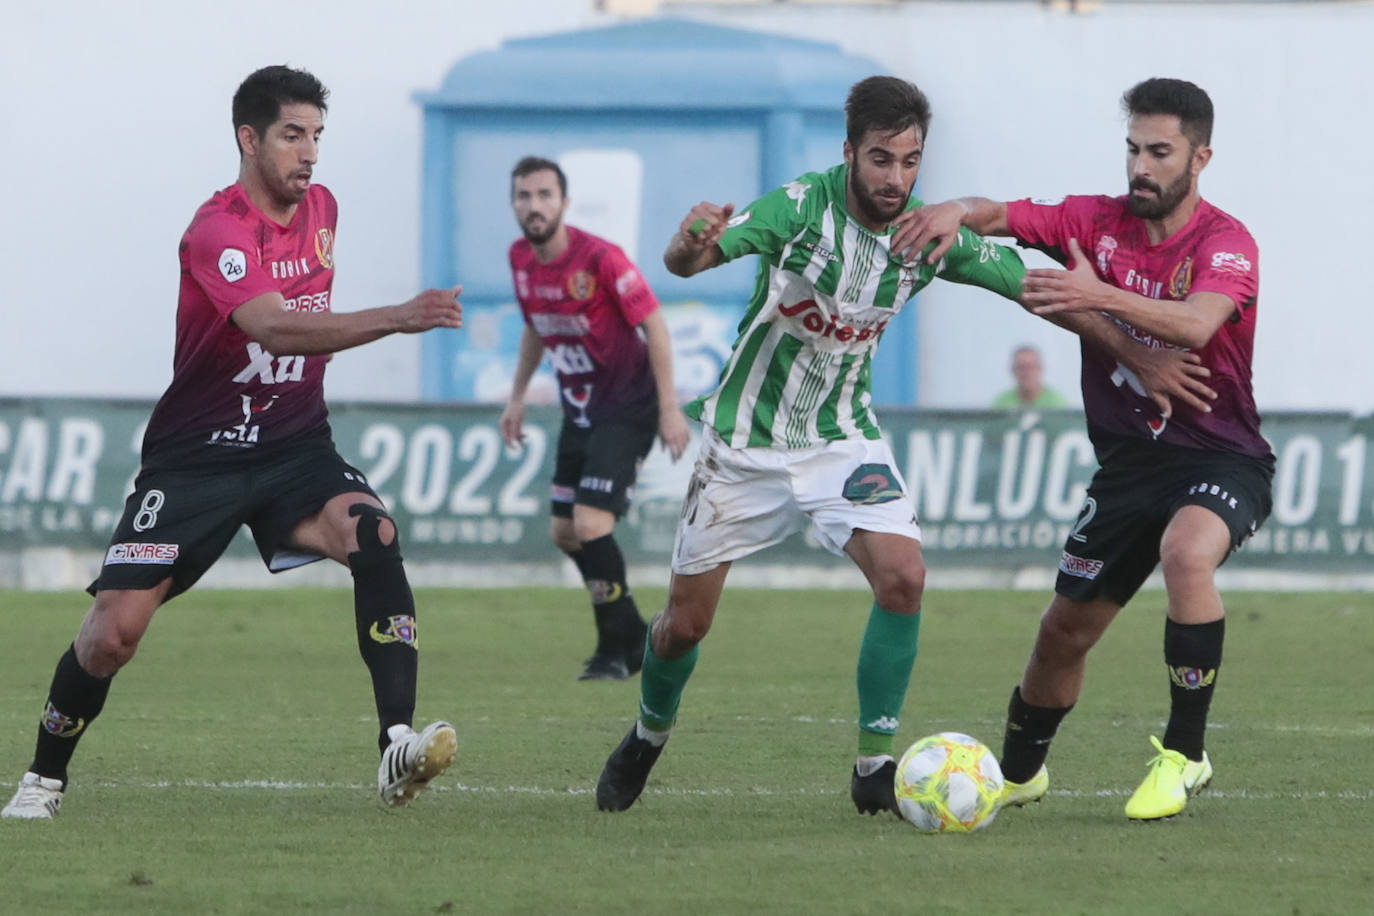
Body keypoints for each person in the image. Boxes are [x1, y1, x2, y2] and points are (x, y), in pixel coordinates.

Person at [1, 66, 463, 820]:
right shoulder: (216, 230)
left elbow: (302, 329)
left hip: (294, 447)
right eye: (292, 135)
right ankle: (42, 779)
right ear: (248, 139)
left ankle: (396, 742)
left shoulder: (323, 209)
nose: (309, 153)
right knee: (114, 635)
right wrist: (398, 316)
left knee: (374, 532)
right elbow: (274, 326)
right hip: (196, 458)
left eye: (317, 135)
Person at [894, 77, 1272, 820]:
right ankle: (1022, 771)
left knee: (1186, 554)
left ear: (1200, 159)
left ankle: (1184, 755)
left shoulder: (1227, 243)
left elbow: (1195, 327)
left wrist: (1093, 295)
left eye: (1160, 152)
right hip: (1129, 466)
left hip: (1222, 458)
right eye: (1133, 148)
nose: (1141, 166)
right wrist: (950, 209)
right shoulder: (1091, 221)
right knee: (1062, 634)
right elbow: (996, 214)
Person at [500, 157, 690, 681]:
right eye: (523, 196)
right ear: (514, 204)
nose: (533, 206)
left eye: (543, 195)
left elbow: (655, 324)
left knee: (590, 524)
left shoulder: (600, 258)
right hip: (580, 413)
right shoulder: (521, 259)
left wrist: (669, 409)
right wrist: (516, 397)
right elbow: (536, 327)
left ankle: (613, 649)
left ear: (563, 202)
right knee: (564, 532)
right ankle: (632, 630)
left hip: (628, 407)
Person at [992, 344, 1069, 409]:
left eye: (1031, 367)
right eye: (1021, 367)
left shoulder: (1057, 404)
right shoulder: (1001, 404)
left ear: (1041, 369)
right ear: (1013, 370)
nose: (1027, 373)